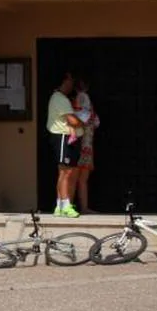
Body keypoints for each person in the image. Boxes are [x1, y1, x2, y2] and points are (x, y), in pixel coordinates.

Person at [46, 70, 84, 218]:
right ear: (63, 82)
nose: (72, 83)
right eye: (69, 80)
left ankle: (60, 205)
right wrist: (83, 122)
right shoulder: (59, 98)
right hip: (63, 137)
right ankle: (65, 205)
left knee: (66, 171)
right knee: (65, 172)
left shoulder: (62, 98)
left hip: (69, 138)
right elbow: (72, 120)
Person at [72, 78, 101, 214]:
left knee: (78, 177)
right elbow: (93, 121)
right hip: (83, 143)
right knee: (80, 177)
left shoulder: (76, 101)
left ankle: (76, 206)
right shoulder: (82, 99)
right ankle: (80, 206)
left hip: (82, 143)